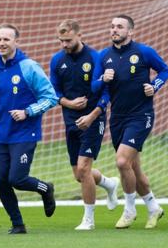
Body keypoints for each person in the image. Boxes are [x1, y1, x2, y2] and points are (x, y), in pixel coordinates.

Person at [0, 24, 58, 234]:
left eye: (6, 39)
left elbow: (50, 98)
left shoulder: (29, 67)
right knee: (1, 180)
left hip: (24, 132)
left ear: (16, 42)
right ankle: (17, 224)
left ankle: (45, 189)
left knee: (17, 179)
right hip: (0, 133)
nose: (1, 43)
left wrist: (27, 112)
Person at [92, 15, 168, 229]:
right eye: (112, 26)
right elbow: (93, 87)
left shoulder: (144, 51)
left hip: (141, 115)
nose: (114, 30)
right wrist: (102, 80)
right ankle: (154, 207)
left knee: (121, 162)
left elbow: (165, 70)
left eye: (119, 27)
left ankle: (129, 210)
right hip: (117, 117)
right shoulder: (104, 56)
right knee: (133, 168)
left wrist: (154, 86)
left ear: (131, 31)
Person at [49, 20, 119, 230]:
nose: (64, 45)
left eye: (68, 40)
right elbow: (54, 92)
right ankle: (109, 183)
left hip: (93, 118)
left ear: (80, 35)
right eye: (61, 40)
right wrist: (68, 103)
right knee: (79, 175)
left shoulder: (96, 58)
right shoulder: (57, 60)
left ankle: (88, 219)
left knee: (83, 167)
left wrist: (92, 115)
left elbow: (107, 91)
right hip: (70, 120)